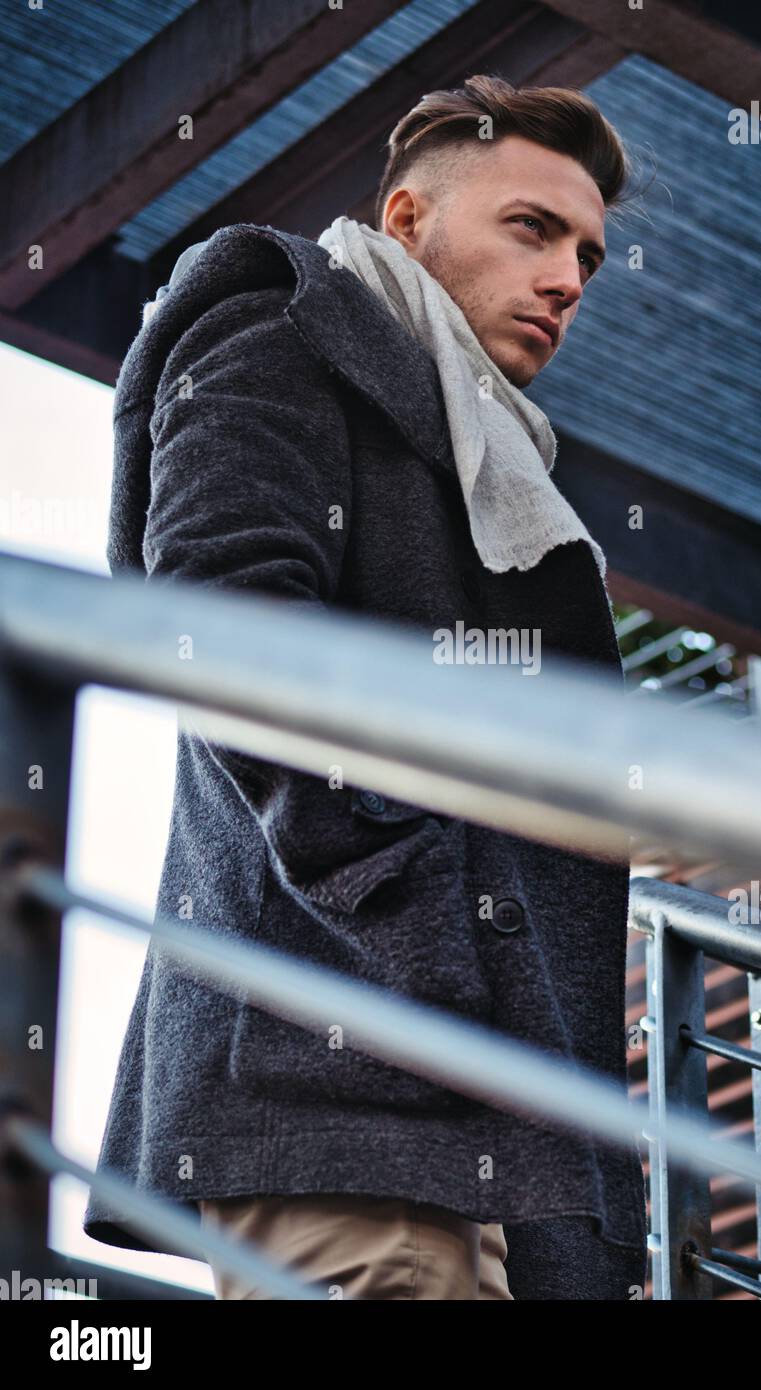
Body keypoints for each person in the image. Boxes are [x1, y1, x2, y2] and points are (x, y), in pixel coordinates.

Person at [84, 74, 648, 1300]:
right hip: (341, 1081)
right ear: (406, 219)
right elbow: (223, 626)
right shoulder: (281, 331)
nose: (569, 279)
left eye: (592, 257)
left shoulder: (487, 460)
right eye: (533, 229)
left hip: (494, 1119)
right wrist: (417, 927)